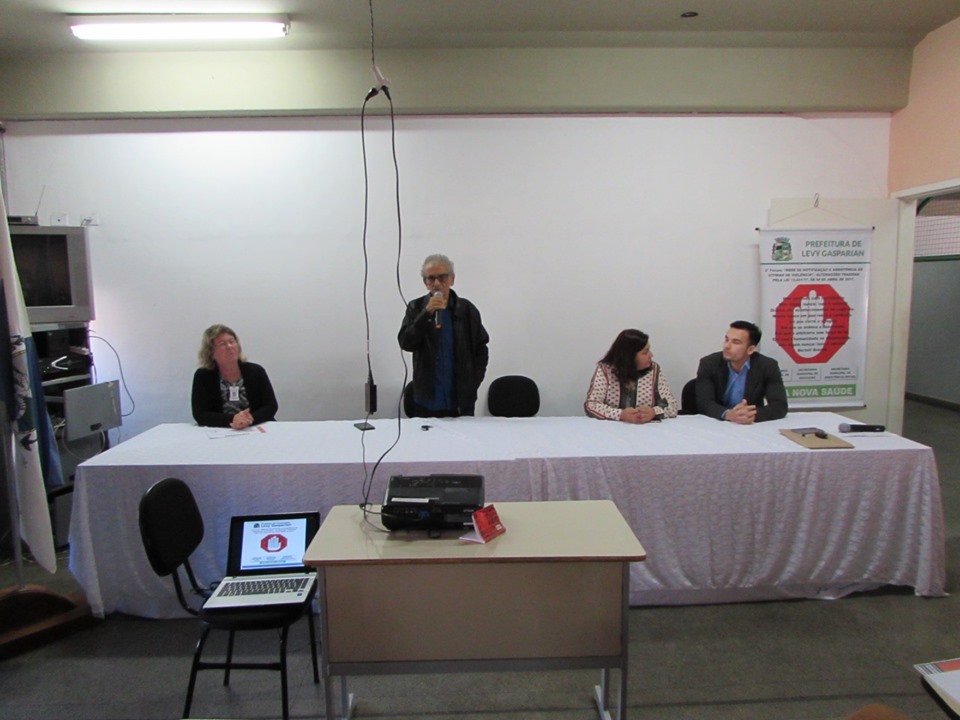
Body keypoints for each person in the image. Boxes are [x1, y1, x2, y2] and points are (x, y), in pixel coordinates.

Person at [398, 254, 489, 417]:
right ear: (425, 282)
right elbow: (406, 343)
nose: (437, 283)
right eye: (431, 278)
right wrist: (426, 313)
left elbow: (481, 347)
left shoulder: (466, 310)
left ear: (452, 279)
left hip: (461, 399)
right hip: (428, 399)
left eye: (442, 277)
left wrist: (473, 381)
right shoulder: (416, 307)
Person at [695, 320, 788, 424]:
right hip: (716, 424)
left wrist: (751, 415)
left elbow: (780, 405)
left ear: (750, 349)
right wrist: (728, 414)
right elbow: (704, 403)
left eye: (736, 342)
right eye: (727, 339)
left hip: (749, 426)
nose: (727, 346)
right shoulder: (709, 363)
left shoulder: (767, 366)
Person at [191, 324, 278, 429]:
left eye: (232, 341)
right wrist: (233, 420)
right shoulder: (203, 376)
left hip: (255, 426)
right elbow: (200, 414)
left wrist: (249, 419)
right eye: (222, 344)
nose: (229, 346)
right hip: (222, 430)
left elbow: (271, 406)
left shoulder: (256, 371)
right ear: (211, 352)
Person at [585, 329, 679, 423]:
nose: (651, 355)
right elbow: (591, 405)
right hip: (612, 429)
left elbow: (672, 406)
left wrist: (654, 412)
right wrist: (620, 414)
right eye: (645, 352)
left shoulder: (654, 370)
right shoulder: (605, 370)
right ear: (629, 356)